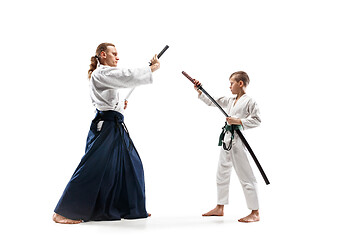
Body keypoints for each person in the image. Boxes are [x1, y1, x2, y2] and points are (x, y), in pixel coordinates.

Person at [53, 43, 160, 224]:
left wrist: (119, 106)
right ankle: (63, 212)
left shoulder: (106, 75)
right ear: (103, 55)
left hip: (114, 124)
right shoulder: (101, 73)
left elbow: (113, 91)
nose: (117, 57)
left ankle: (128, 207)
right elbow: (126, 76)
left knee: (130, 165)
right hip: (106, 128)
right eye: (114, 53)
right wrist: (150, 69)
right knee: (91, 168)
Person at [193, 71, 261, 223]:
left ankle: (255, 212)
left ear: (240, 83)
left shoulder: (249, 101)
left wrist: (239, 121)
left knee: (246, 176)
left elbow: (257, 120)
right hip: (227, 140)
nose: (229, 86)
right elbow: (212, 101)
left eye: (232, 83)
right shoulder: (230, 100)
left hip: (238, 141)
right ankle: (220, 207)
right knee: (221, 173)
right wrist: (199, 89)